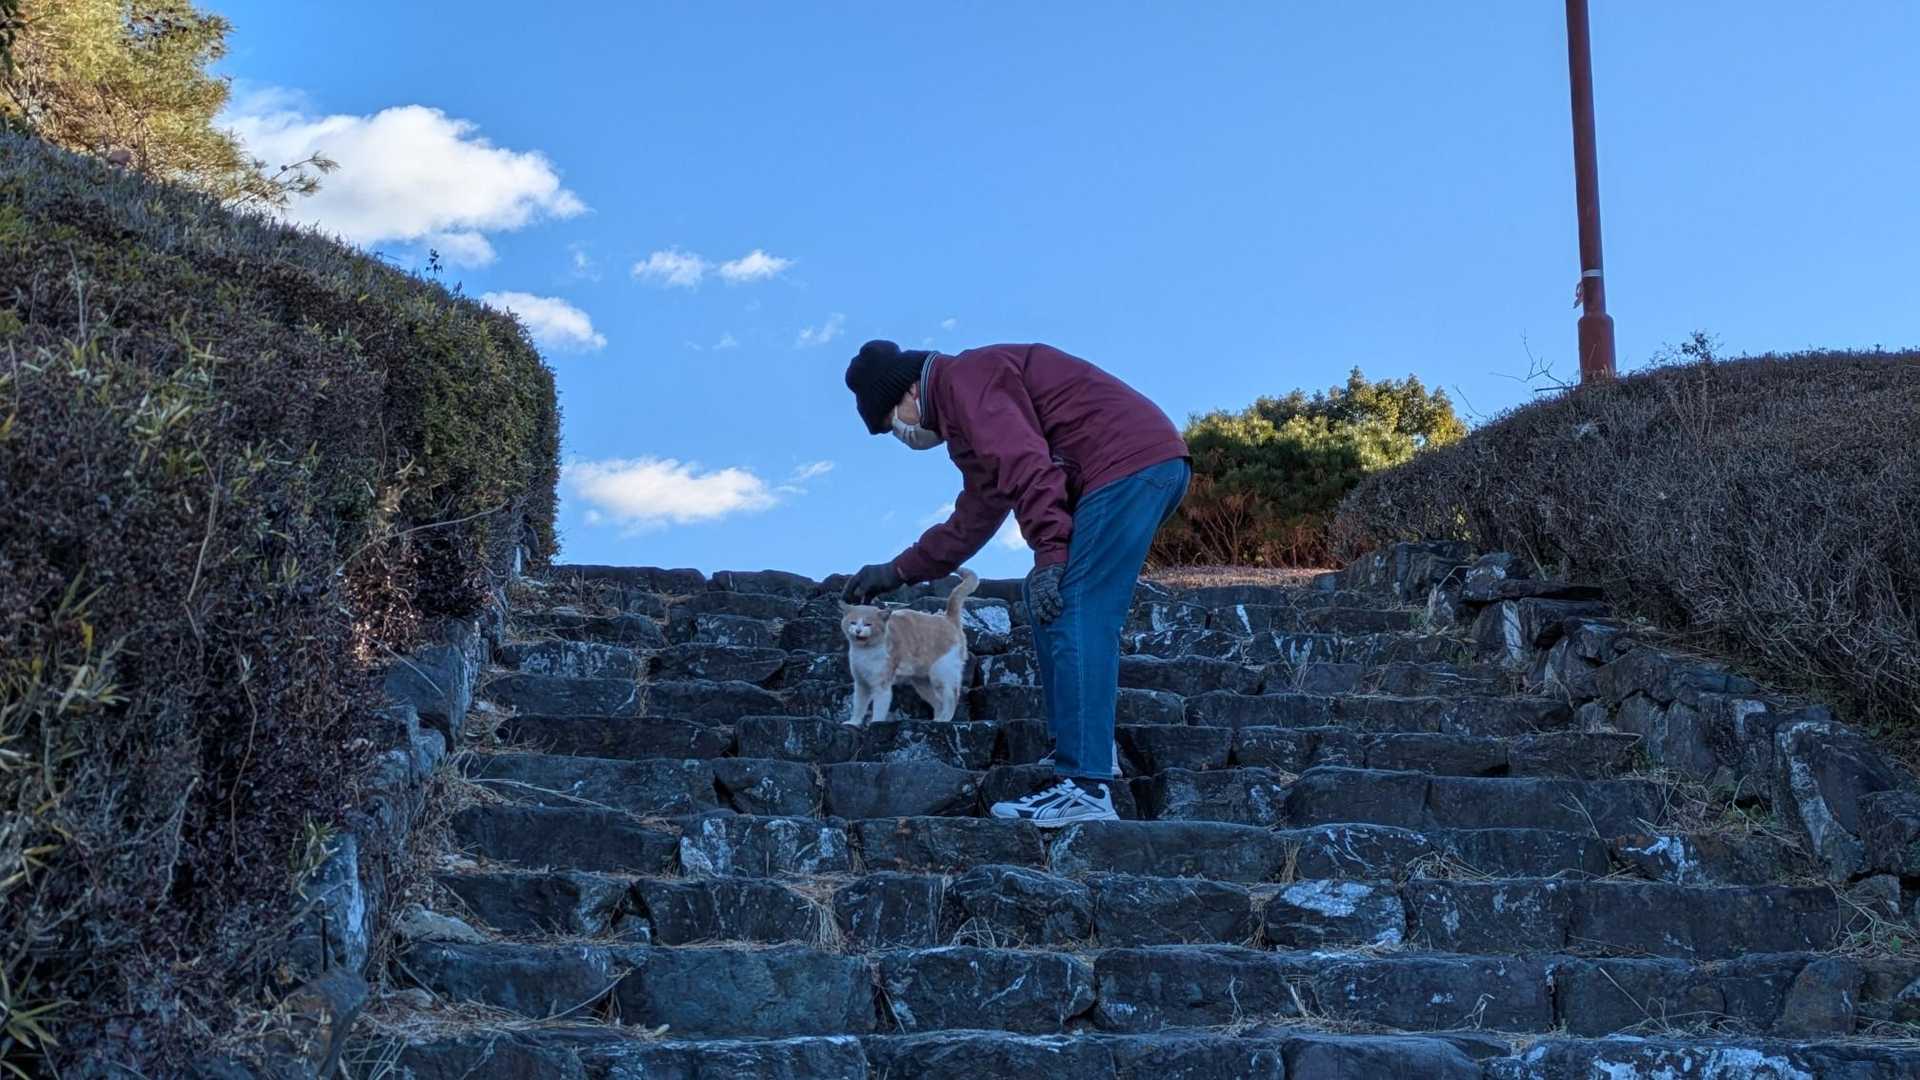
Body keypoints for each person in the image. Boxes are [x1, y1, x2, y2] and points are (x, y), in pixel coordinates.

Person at [841, 339, 1189, 826]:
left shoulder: (967, 380)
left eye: (892, 421)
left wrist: (1051, 552)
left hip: (1125, 463)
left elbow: (1027, 464)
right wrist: (897, 571)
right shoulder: (964, 416)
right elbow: (974, 517)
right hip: (1136, 465)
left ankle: (1085, 784)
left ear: (910, 392)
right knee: (1047, 598)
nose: (902, 434)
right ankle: (1083, 746)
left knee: (1073, 603)